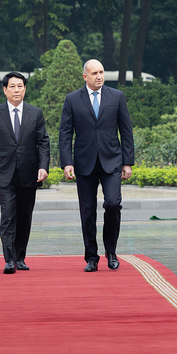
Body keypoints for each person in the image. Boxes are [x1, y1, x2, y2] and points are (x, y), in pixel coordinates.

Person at [59, 59, 135, 272]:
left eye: (101, 72)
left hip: (112, 161)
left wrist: (128, 162)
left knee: (113, 203)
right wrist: (67, 162)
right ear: (85, 76)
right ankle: (91, 256)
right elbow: (65, 133)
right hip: (84, 163)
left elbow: (126, 130)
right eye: (94, 73)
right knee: (87, 211)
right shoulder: (72, 100)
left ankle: (111, 251)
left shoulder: (117, 97)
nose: (99, 76)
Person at [0, 72, 50, 274]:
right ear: (4, 90)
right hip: (4, 174)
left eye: (20, 86)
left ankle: (20, 257)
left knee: (24, 217)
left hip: (29, 174)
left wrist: (43, 166)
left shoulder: (35, 113)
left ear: (25, 89)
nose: (16, 90)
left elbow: (43, 142)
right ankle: (9, 259)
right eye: (12, 86)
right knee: (8, 215)